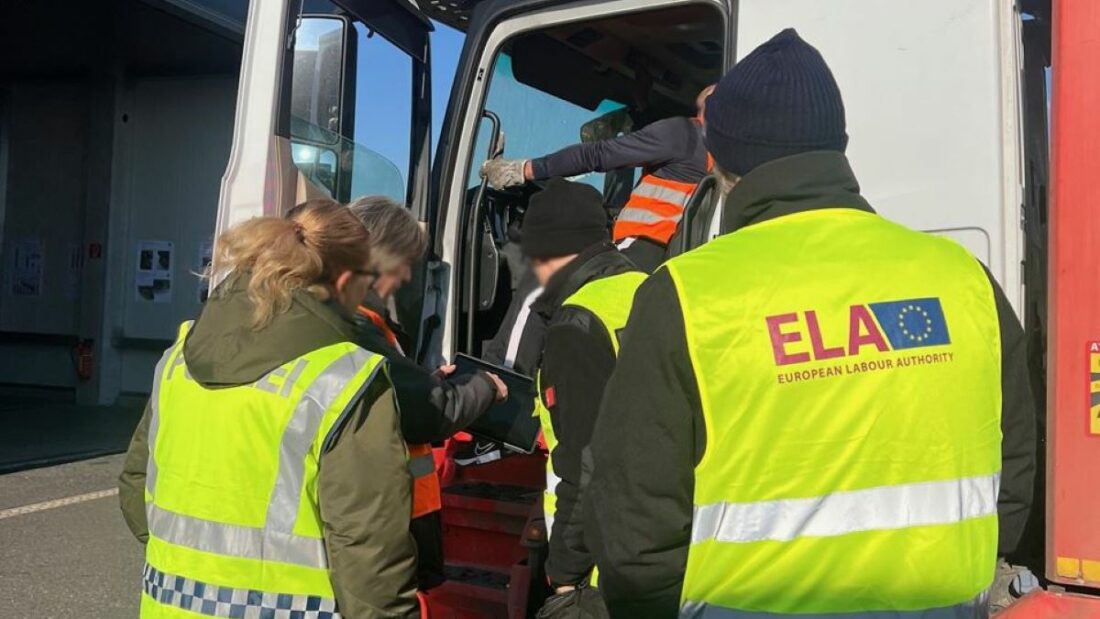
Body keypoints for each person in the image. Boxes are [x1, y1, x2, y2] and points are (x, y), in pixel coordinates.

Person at [585, 29, 1036, 618]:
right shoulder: (966, 280)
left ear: (719, 159)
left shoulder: (686, 295)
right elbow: (1014, 475)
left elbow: (635, 529)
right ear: (836, 145)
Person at [118, 199, 420, 618]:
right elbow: (368, 550)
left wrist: (193, 566)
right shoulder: (345, 380)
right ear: (348, 280)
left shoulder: (178, 360)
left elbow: (137, 483)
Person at [344, 195, 508, 591]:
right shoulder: (359, 327)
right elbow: (429, 416)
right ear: (381, 257)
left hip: (403, 510)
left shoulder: (369, 324)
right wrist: (484, 387)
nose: (406, 277)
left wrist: (427, 381)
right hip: (391, 518)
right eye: (405, 264)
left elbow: (397, 399)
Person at [521, 179, 645, 610]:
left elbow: (586, 463)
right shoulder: (652, 290)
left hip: (599, 567)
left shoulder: (578, 321)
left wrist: (564, 572)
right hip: (657, 548)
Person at [481, 86, 715, 273]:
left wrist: (522, 170)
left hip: (641, 250)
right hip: (679, 260)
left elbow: (597, 155)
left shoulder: (683, 132)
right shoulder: (724, 155)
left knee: (545, 294)